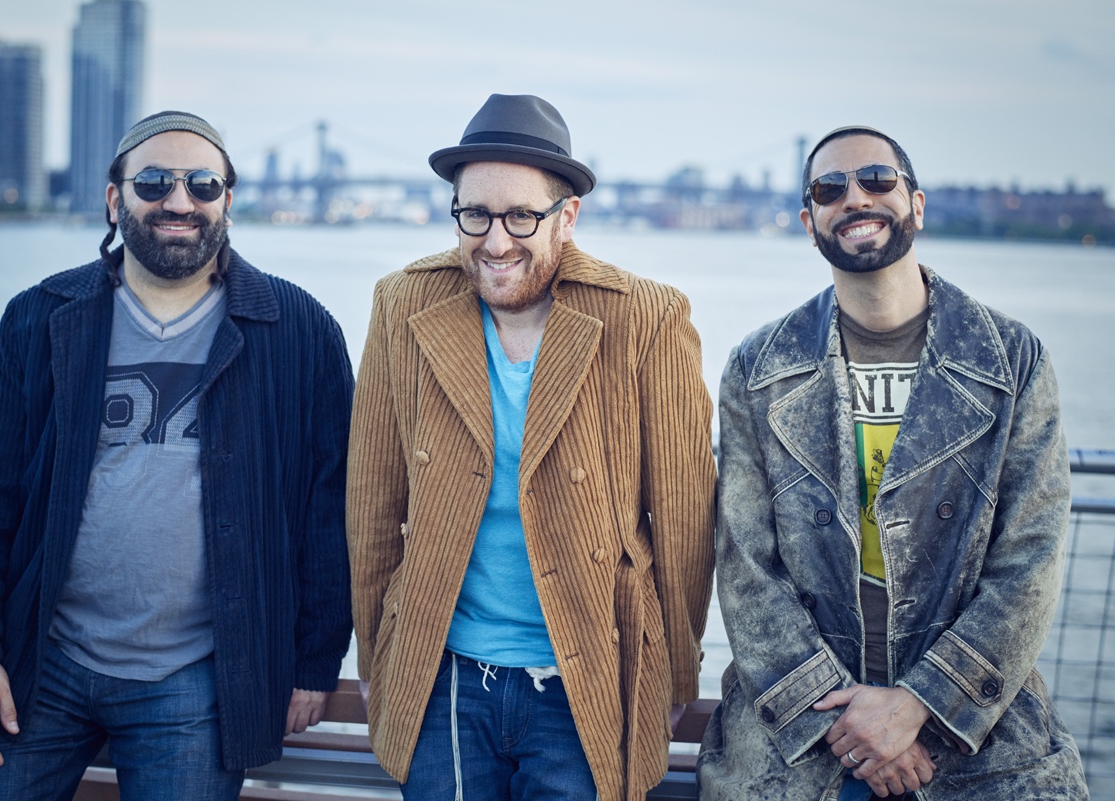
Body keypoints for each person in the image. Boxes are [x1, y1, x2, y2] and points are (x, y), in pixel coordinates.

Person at [0, 110, 354, 800]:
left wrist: (313, 661)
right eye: (154, 182)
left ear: (227, 200)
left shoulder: (298, 329)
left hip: (196, 678)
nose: (179, 201)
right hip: (38, 659)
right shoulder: (39, 317)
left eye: (202, 184)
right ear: (114, 199)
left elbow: (329, 510)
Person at [697, 125, 1089, 800]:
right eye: (830, 189)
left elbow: (1031, 557)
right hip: (808, 731)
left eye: (877, 180)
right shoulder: (761, 368)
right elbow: (745, 565)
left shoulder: (1010, 359)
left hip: (972, 732)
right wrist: (845, 722)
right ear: (809, 222)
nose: (855, 198)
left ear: (917, 205)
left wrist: (920, 704)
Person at [346, 93, 717, 801]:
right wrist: (376, 655)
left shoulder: (645, 317)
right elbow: (371, 504)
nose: (495, 241)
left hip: (589, 676)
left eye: (521, 216)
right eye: (475, 215)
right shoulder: (402, 303)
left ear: (566, 216)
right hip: (443, 675)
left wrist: (674, 673)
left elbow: (683, 519)